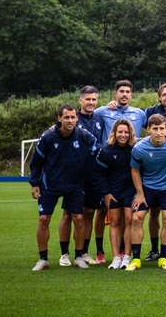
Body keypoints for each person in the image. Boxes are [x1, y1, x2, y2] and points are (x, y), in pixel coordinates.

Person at [29, 105, 97, 271]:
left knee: (78, 218)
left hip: (75, 184)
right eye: (66, 117)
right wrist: (35, 183)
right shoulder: (48, 137)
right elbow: (36, 162)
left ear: (77, 118)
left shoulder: (84, 135)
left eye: (73, 117)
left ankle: (79, 256)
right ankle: (43, 259)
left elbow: (97, 152)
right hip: (50, 184)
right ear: (59, 118)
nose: (70, 120)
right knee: (43, 219)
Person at [126, 114, 166, 271]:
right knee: (137, 218)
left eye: (162, 128)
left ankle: (163, 258)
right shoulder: (139, 148)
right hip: (148, 188)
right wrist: (140, 194)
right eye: (155, 129)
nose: (159, 132)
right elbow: (134, 170)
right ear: (148, 130)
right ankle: (136, 259)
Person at [59, 86, 106, 266]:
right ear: (81, 100)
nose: (91, 102)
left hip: (93, 173)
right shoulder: (72, 118)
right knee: (68, 213)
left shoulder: (100, 118)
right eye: (88, 99)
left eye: (94, 99)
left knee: (89, 212)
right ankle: (64, 254)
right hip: (73, 174)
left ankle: (83, 252)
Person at [94, 119, 137, 269]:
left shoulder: (135, 149)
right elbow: (99, 174)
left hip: (130, 191)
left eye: (126, 132)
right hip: (113, 192)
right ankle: (116, 257)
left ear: (130, 133)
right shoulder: (106, 150)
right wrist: (106, 193)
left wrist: (138, 192)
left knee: (129, 221)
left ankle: (127, 256)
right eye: (120, 132)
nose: (123, 135)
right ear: (114, 133)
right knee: (115, 222)